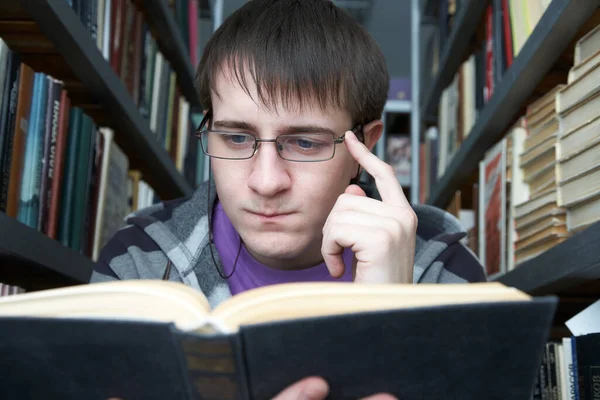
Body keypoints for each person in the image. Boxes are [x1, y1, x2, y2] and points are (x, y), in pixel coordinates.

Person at [92, 0, 486, 397]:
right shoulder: (138, 263)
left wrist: (393, 312)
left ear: (363, 146)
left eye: (303, 142)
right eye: (236, 137)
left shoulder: (447, 278)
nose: (266, 182)